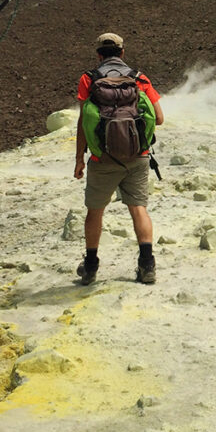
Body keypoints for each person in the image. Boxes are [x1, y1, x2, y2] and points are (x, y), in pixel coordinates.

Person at [74, 32, 164, 285]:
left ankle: (90, 268)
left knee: (95, 211)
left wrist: (80, 159)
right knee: (138, 209)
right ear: (122, 53)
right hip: (138, 156)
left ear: (98, 54)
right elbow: (158, 118)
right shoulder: (139, 78)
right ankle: (147, 265)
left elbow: (84, 123)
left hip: (103, 159)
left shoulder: (88, 79)